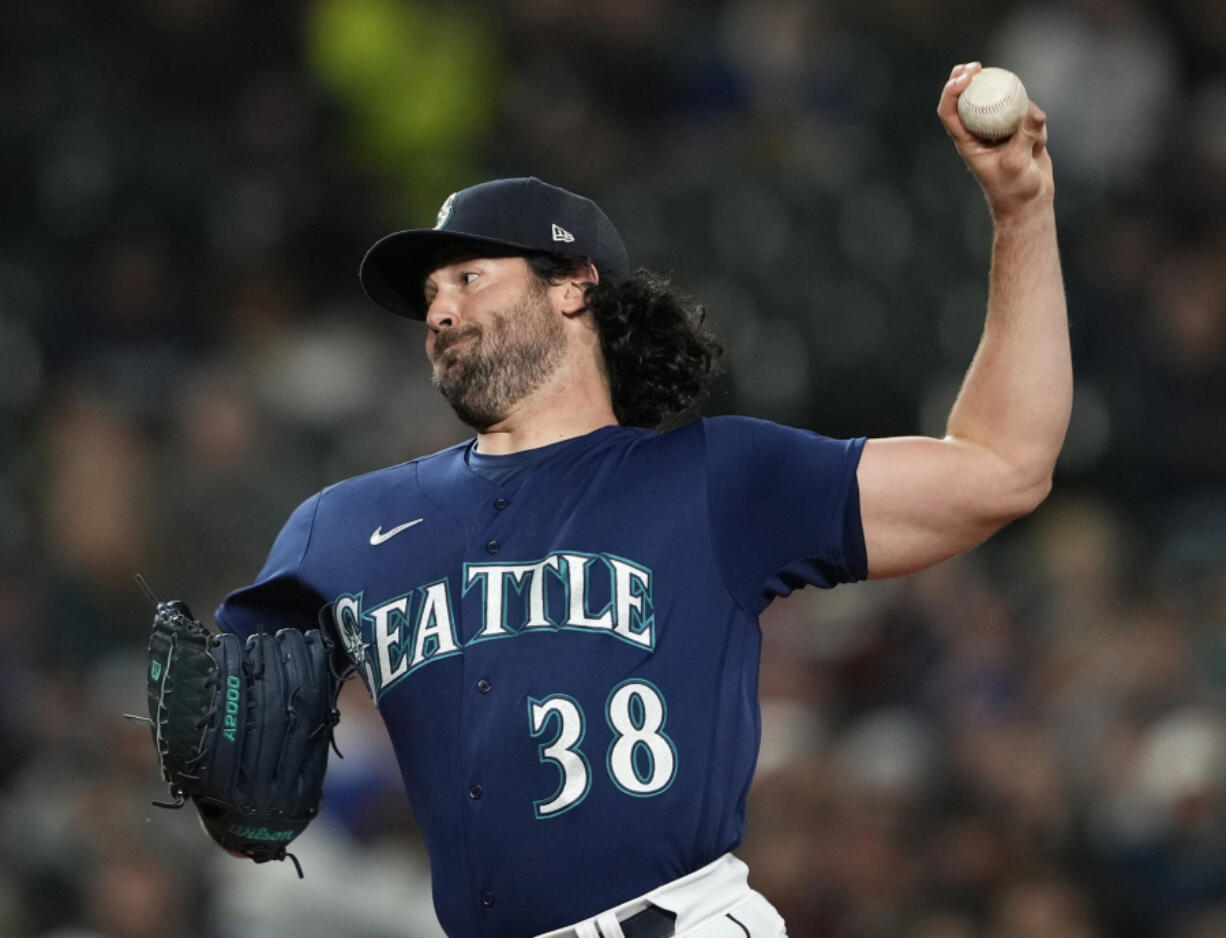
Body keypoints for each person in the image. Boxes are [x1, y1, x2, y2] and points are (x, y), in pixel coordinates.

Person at [213, 62, 1069, 938]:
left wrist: (1020, 212)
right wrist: (226, 785)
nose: (437, 311)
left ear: (574, 284)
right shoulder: (342, 526)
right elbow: (236, 750)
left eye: (468, 277)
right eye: (429, 295)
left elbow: (1002, 466)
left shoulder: (713, 478)